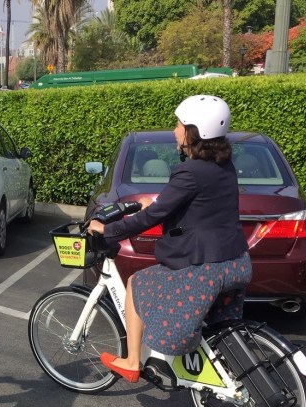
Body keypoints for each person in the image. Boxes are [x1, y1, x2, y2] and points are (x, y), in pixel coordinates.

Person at [87, 94, 251, 382]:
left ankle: (132, 361)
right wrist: (161, 206)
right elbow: (202, 208)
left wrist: (107, 229)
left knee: (137, 283)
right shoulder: (224, 167)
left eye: (178, 124)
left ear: (194, 132)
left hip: (206, 266)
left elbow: (151, 218)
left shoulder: (189, 171)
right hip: (236, 261)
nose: (175, 130)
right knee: (214, 324)